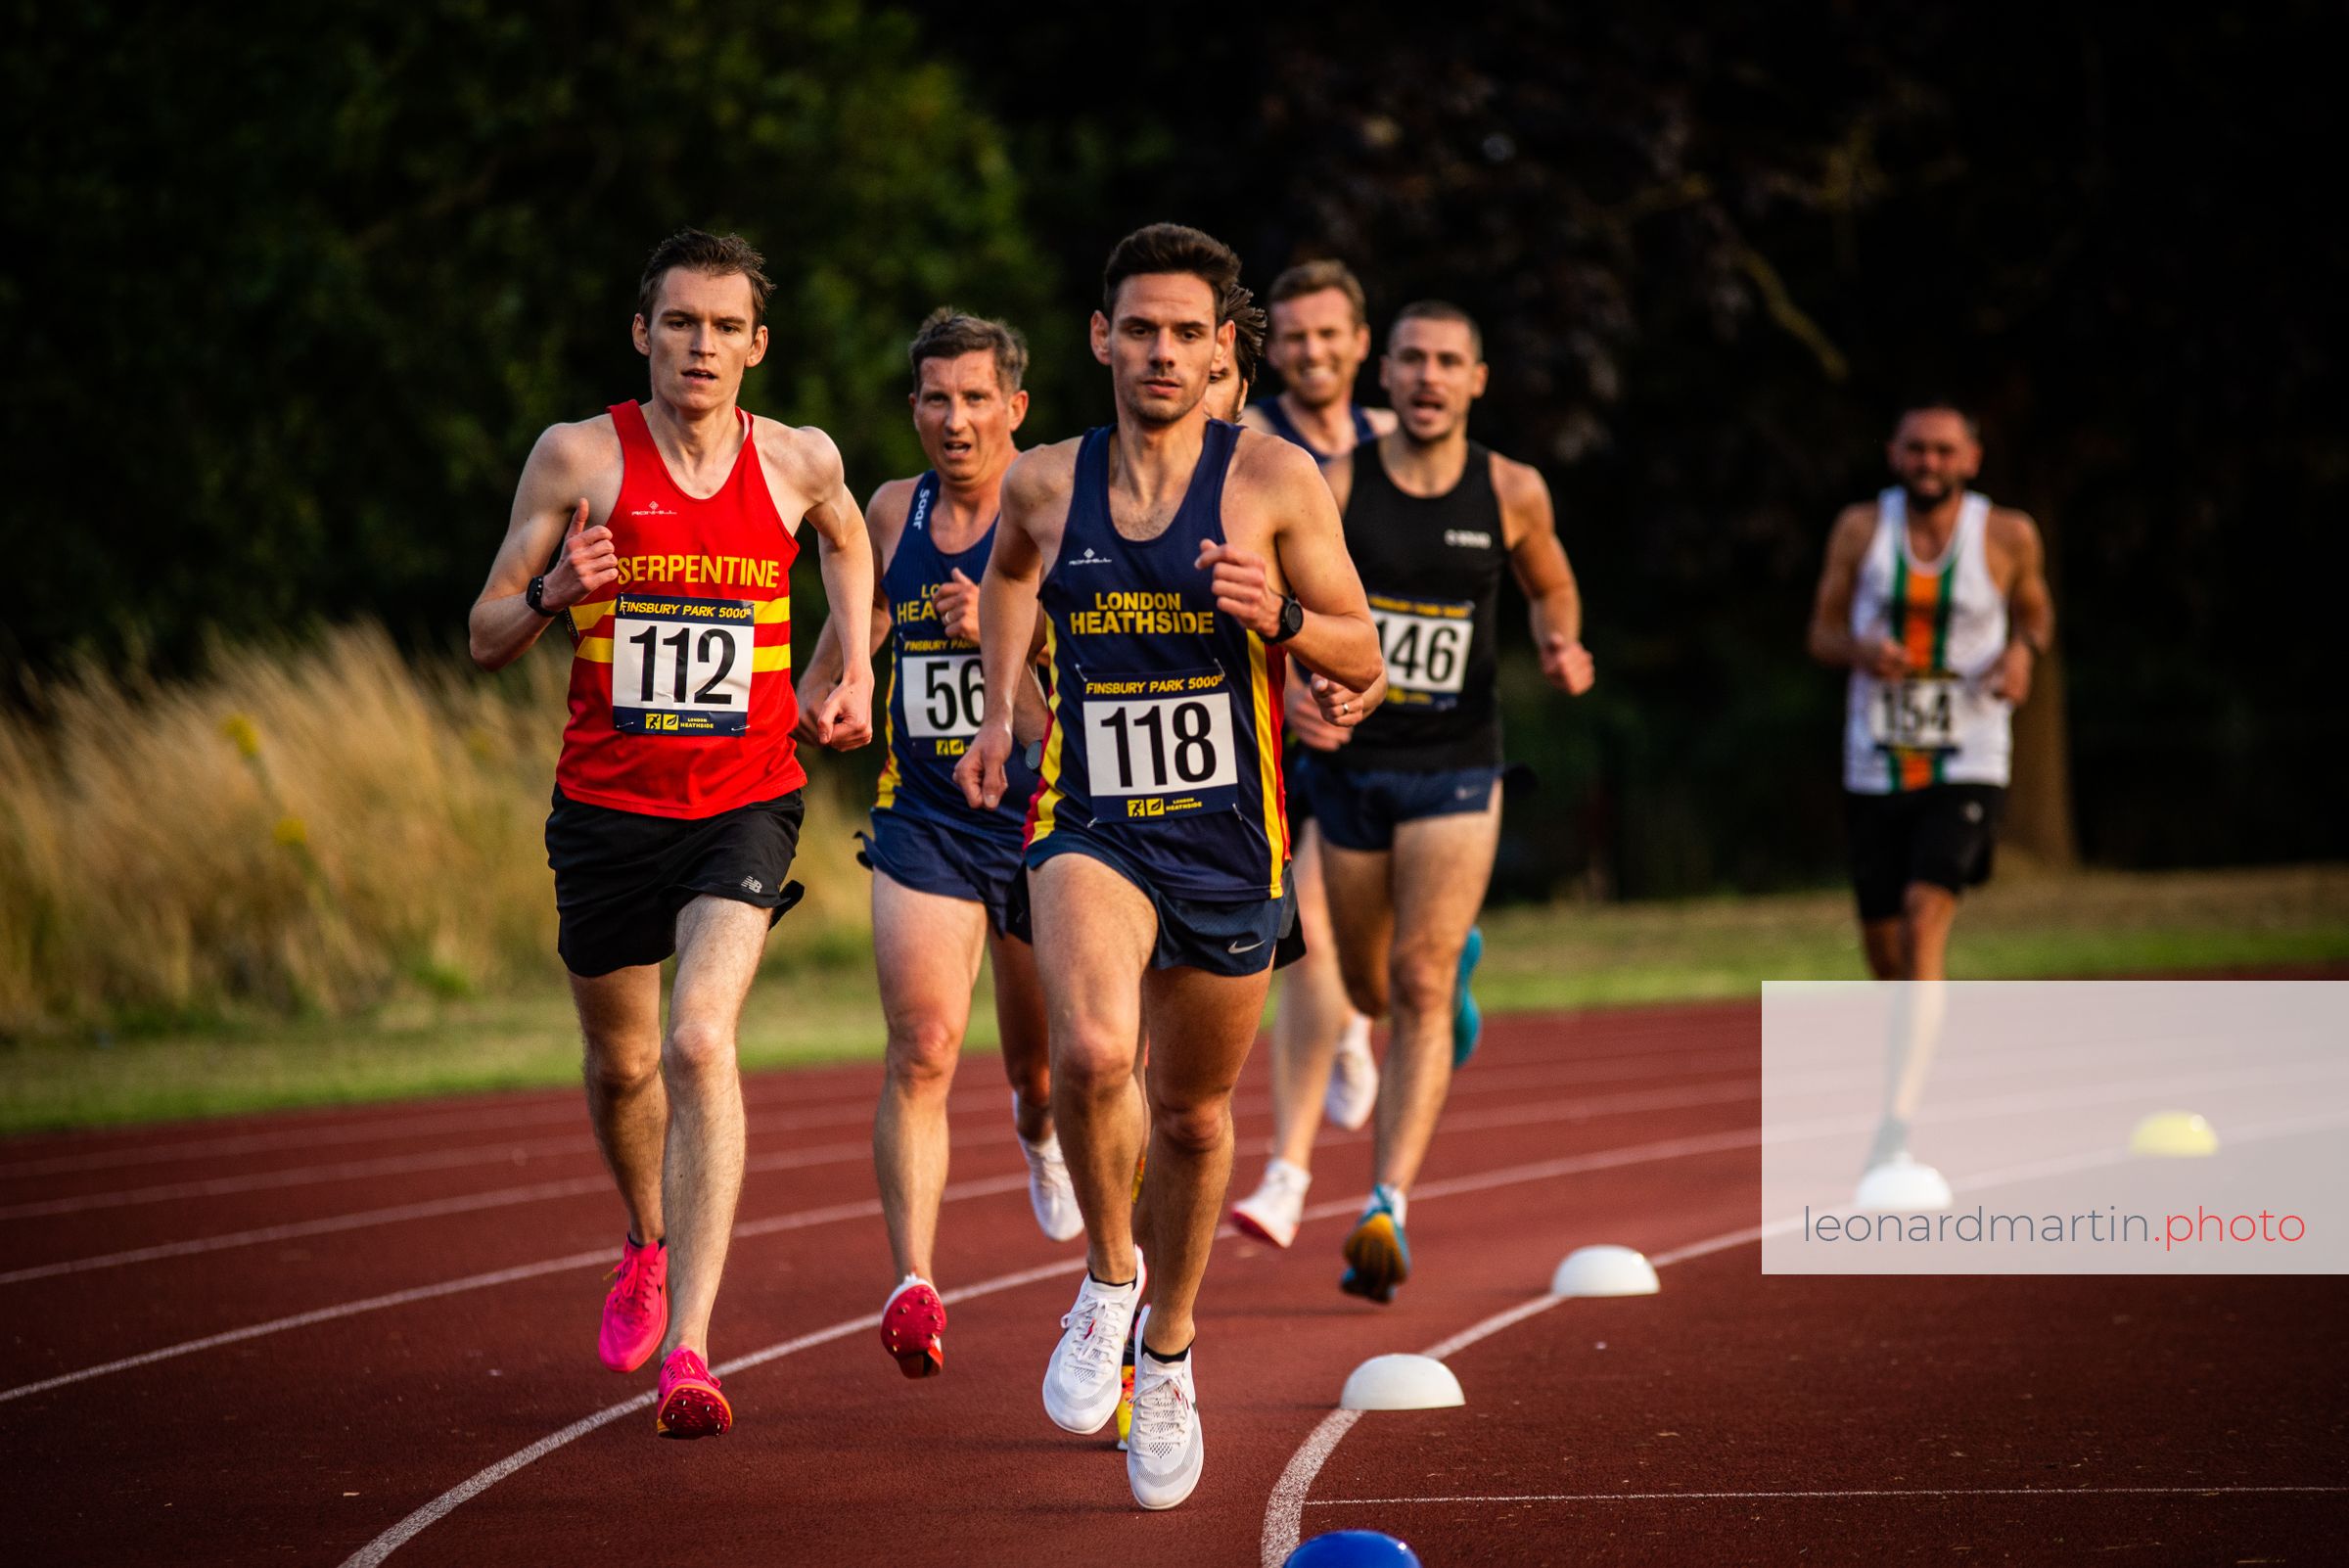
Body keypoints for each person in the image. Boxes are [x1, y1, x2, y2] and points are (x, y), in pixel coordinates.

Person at [956, 223, 1382, 1509]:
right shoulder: (1046, 481)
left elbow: (1362, 652)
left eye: (1186, 333)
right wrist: (1002, 707)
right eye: (1138, 327)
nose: (1159, 351)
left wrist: (1284, 617)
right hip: (1090, 820)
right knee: (1093, 1053)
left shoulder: (1275, 481)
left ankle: (1174, 1346)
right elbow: (1007, 579)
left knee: (1193, 1115)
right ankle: (1108, 1276)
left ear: (1221, 350)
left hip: (1228, 836)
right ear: (1101, 336)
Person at [467, 229, 874, 1439]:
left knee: (699, 1041)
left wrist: (848, 664)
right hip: (605, 807)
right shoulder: (579, 457)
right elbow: (484, 634)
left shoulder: (799, 460)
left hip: (744, 800)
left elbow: (850, 538)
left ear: (759, 344)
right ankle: (645, 1238)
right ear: (642, 332)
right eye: (681, 322)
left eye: (725, 326)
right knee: (624, 1064)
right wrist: (554, 593)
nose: (702, 345)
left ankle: (690, 1349)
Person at [796, 310, 1081, 1382]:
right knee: (921, 1044)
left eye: (975, 399)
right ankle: (913, 1283)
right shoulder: (890, 509)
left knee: (1043, 1069)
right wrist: (828, 692)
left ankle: (1039, 1129)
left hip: (1046, 822)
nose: (954, 420)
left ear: (1015, 406)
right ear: (912, 406)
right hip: (925, 819)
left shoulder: (1055, 512)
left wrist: (1009, 633)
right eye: (934, 399)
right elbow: (854, 632)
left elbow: (1091, 695)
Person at [1298, 300, 1595, 1305]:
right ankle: (1451, 980)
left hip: (1458, 767)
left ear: (1477, 380)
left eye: (1448, 362)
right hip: (1352, 766)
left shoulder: (1510, 489)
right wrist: (1298, 687)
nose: (1429, 377)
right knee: (1371, 988)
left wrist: (1559, 640)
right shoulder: (1338, 483)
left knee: (1416, 982)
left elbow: (1552, 586)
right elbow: (1288, 609)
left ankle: (1386, 1203)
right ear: (1384, 373)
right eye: (1413, 359)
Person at [1805, 400, 2053, 1169]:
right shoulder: (1860, 530)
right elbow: (1820, 632)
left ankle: (1898, 1124)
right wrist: (1859, 651)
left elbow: (2036, 616)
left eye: (1945, 451)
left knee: (1924, 919)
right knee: (1887, 955)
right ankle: (1921, 1057)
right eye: (1917, 449)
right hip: (1876, 761)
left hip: (1969, 757)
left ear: (1971, 459)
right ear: (1894, 453)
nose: (1930, 463)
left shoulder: (2007, 535)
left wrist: (2021, 655)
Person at [1230, 260, 1400, 1248]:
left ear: (1361, 342)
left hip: (1393, 709)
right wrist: (1296, 686)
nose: (1312, 351)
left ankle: (1359, 1017)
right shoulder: (1250, 441)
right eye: (1293, 335)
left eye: (1329, 333)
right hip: (1295, 713)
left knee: (1379, 935)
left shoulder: (1401, 439)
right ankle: (1290, 1166)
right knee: (1312, 914)